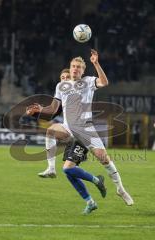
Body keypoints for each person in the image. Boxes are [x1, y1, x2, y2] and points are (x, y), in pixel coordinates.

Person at [26, 49, 134, 210]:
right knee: (50, 131)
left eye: (78, 67)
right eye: (73, 66)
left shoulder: (89, 82)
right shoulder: (61, 86)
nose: (75, 69)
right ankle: (50, 168)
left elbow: (104, 82)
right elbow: (52, 109)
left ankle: (120, 189)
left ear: (83, 71)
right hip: (68, 128)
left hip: (86, 129)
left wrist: (96, 63)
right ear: (70, 68)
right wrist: (38, 112)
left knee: (104, 159)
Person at [29, 68, 107, 214]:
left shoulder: (78, 92)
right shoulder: (62, 96)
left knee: (68, 169)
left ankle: (96, 181)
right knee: (69, 172)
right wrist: (37, 112)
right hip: (71, 134)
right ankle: (90, 201)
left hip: (83, 135)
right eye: (62, 77)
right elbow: (51, 114)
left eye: (67, 77)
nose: (64, 80)